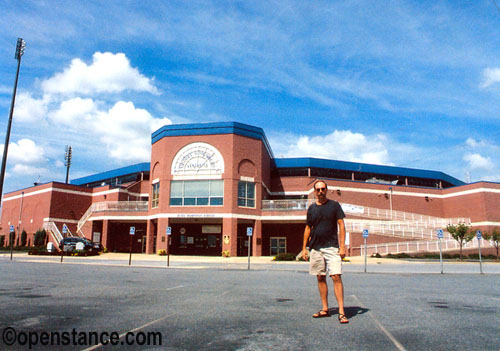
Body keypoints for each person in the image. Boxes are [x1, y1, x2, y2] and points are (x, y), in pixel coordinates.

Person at [302, 180, 349, 324]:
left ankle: (341, 312)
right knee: (320, 277)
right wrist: (304, 248)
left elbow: (341, 226)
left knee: (336, 276)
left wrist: (342, 246)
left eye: (323, 189)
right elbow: (308, 228)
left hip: (332, 247)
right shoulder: (311, 209)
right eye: (318, 189)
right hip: (316, 248)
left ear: (326, 190)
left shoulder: (334, 206)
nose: (321, 192)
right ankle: (325, 309)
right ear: (315, 192)